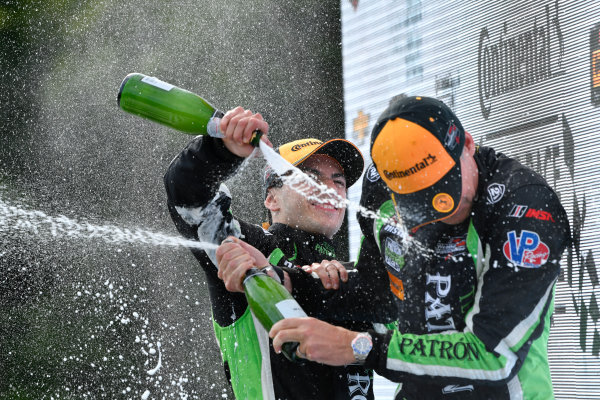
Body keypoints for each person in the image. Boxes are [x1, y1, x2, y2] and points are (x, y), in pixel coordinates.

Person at [222, 96, 570, 399]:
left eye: (449, 196)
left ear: (466, 144)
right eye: (422, 205)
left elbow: (494, 356)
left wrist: (355, 346)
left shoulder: (525, 208)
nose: (441, 215)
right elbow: (379, 296)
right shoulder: (380, 182)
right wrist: (290, 280)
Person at [163, 106, 380, 400]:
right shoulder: (250, 247)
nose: (329, 189)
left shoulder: (356, 277)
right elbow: (188, 197)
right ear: (272, 198)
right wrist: (220, 149)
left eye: (338, 181)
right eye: (311, 178)